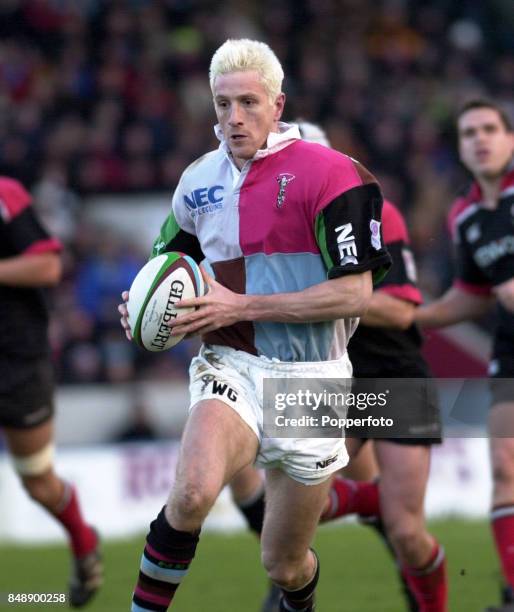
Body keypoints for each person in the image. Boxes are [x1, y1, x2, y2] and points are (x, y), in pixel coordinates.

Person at [119, 38, 390, 611]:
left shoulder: (335, 175)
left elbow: (354, 293)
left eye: (247, 102)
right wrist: (143, 311)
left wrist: (240, 306)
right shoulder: (196, 183)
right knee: (191, 493)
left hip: (315, 378)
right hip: (231, 364)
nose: (233, 118)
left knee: (285, 564)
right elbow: (170, 274)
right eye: (222, 105)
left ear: (277, 105)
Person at [295, 121, 447, 612]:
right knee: (299, 510)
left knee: (407, 534)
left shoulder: (377, 212)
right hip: (326, 378)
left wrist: (327, 299)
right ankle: (380, 499)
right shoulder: (277, 228)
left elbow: (403, 309)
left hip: (392, 372)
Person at [414, 99, 514, 612]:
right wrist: (415, 317)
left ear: (510, 137)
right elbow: (473, 292)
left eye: (490, 129)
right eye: (469, 132)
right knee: (503, 462)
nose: (481, 139)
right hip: (510, 346)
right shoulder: (464, 215)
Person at [0, 177, 103, 607]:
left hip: (16, 362)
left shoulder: (4, 195)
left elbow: (47, 266)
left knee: (38, 481)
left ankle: (83, 543)